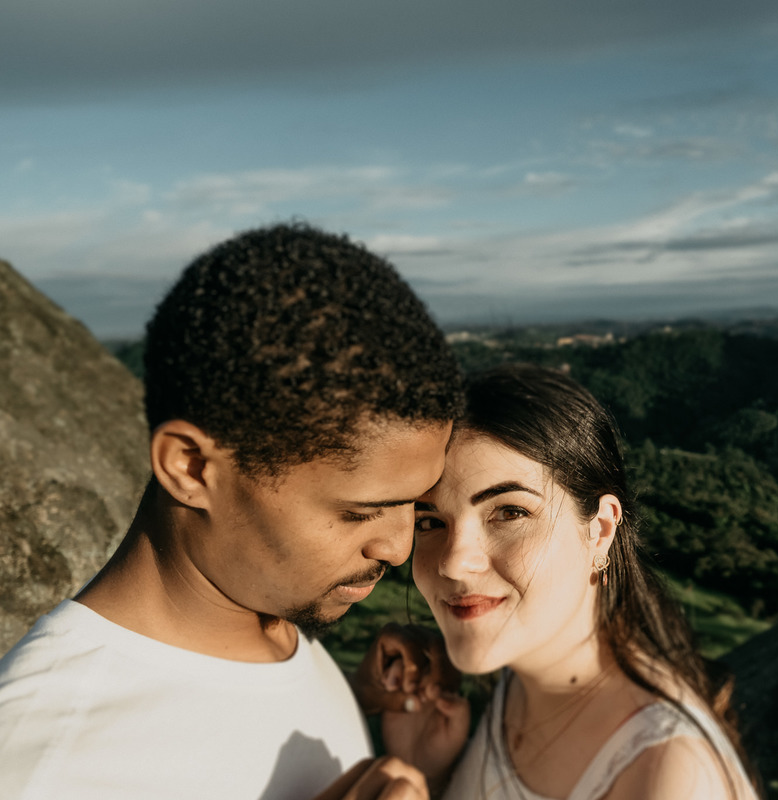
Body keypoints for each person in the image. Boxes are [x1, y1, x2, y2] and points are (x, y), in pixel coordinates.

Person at [0, 223, 464, 800]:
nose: (398, 547)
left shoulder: (270, 605)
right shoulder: (44, 762)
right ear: (192, 468)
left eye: (413, 505)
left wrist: (358, 696)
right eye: (357, 513)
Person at [371, 364, 759, 799]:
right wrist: (430, 772)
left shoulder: (668, 778)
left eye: (510, 512)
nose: (454, 564)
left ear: (601, 530)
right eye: (429, 522)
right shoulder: (521, 680)